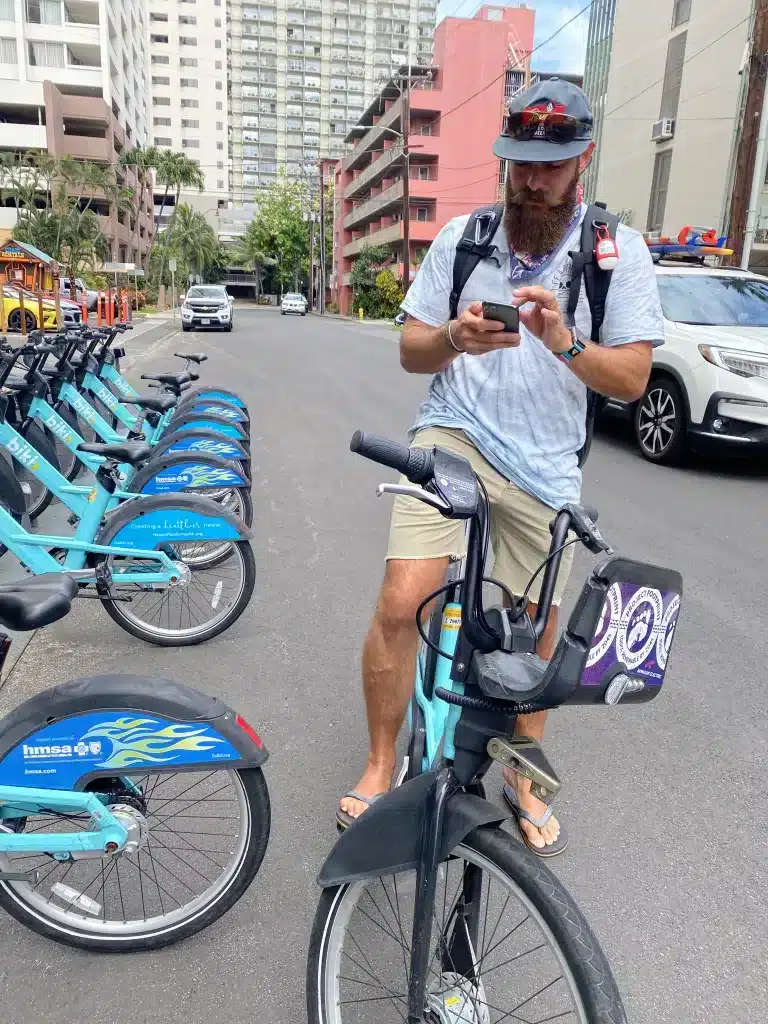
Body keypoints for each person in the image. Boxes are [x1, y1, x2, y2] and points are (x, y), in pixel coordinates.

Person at [338, 79, 665, 855]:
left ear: (581, 159)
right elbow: (411, 350)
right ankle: (381, 764)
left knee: (533, 635)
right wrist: (452, 337)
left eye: (549, 166)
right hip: (456, 436)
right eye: (520, 164)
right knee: (401, 598)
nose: (532, 180)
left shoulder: (615, 254)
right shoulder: (466, 238)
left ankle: (520, 769)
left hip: (545, 470)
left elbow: (632, 379)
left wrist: (565, 343)